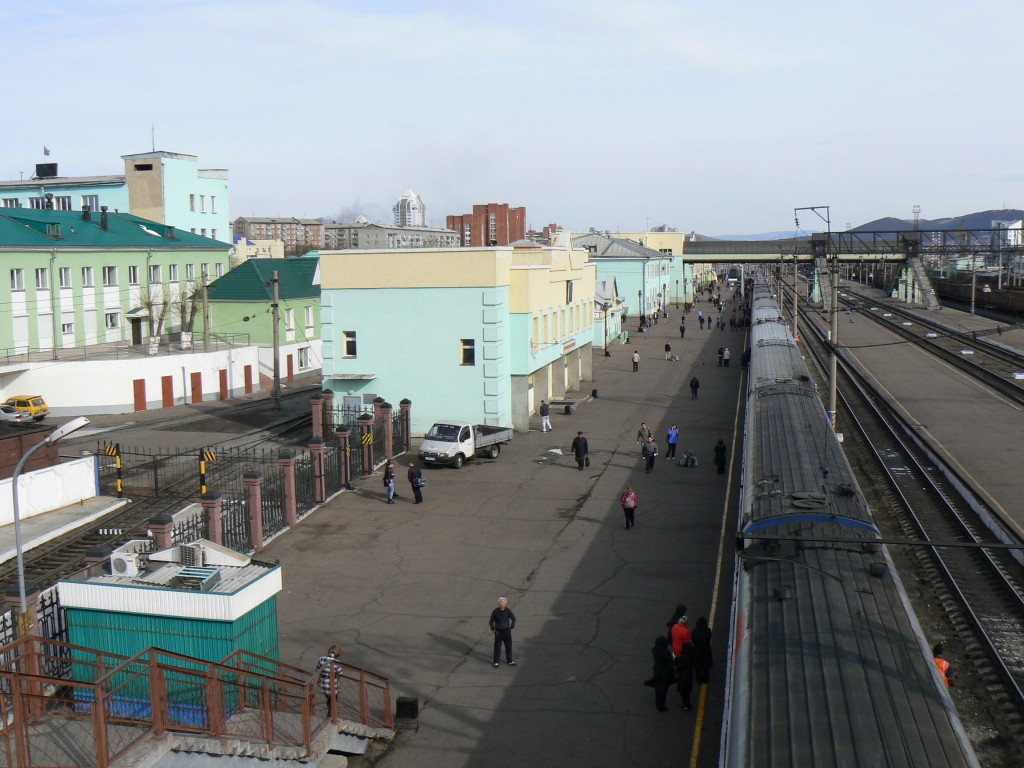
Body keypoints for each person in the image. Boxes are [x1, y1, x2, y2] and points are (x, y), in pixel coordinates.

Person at [316, 644, 343, 716]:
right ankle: (331, 713)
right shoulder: (336, 662)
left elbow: (317, 669)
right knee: (334, 697)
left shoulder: (321, 659)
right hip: (332, 683)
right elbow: (340, 672)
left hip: (323, 682)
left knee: (329, 697)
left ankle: (330, 711)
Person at [649, 636, 675, 712]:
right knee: (663, 690)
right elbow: (670, 665)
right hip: (665, 674)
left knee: (657, 689)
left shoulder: (654, 650)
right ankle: (662, 705)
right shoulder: (667, 653)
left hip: (657, 671)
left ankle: (658, 704)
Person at [489, 597, 517, 667]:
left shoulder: (508, 611)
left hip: (507, 631)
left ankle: (510, 660)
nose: (502, 604)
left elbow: (513, 618)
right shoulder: (495, 611)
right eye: (501, 602)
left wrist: (512, 626)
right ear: (499, 603)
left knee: (508, 646)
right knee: (497, 647)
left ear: (506, 603)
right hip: (498, 631)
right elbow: (491, 621)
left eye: (503, 602)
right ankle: (496, 662)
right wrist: (493, 628)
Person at [692, 616, 713, 684]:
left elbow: (693, 640)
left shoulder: (695, 631)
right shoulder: (708, 631)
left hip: (697, 650)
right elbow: (709, 639)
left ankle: (698, 678)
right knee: (706, 664)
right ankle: (705, 679)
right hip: (706, 649)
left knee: (698, 664)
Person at [675, 641, 695, 711]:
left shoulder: (681, 658)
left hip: (683, 677)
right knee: (686, 692)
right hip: (689, 676)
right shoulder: (691, 657)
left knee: (683, 691)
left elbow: (678, 667)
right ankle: (686, 703)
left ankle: (686, 704)